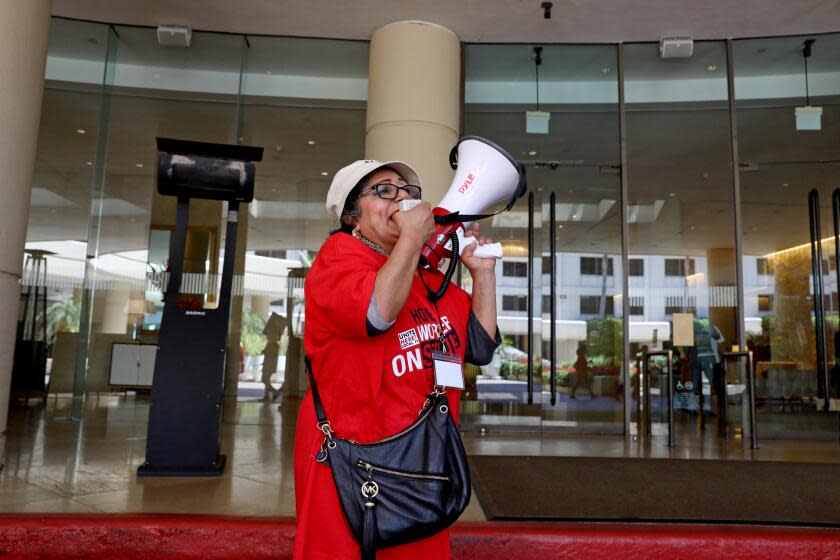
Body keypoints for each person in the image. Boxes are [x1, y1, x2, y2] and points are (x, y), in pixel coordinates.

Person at [293, 159, 501, 559]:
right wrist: (411, 241)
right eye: (384, 190)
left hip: (422, 462)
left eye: (408, 192)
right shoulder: (339, 256)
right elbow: (376, 314)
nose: (403, 197)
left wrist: (483, 273)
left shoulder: (424, 275)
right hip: (353, 461)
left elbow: (479, 345)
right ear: (352, 216)